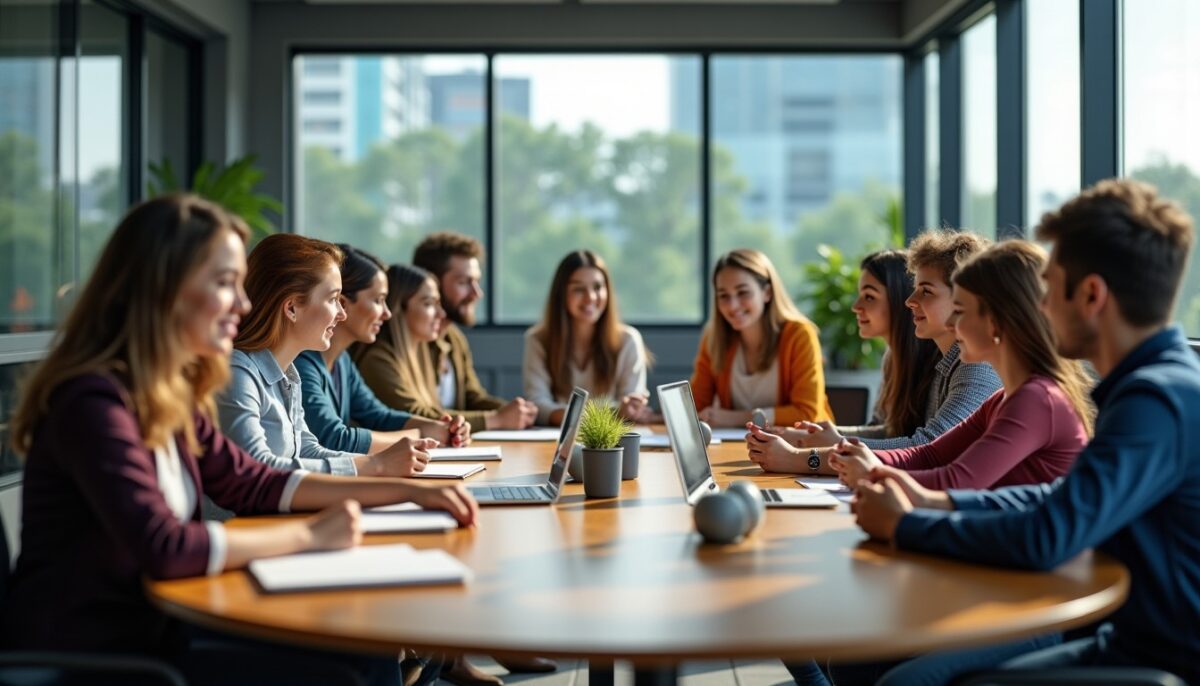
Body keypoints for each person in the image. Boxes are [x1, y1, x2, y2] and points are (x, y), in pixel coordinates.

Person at [1, 195, 476, 685]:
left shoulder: (167, 395)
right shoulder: (92, 403)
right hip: (94, 655)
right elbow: (163, 545)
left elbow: (253, 481)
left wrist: (411, 491)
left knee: (365, 650)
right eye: (227, 284)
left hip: (159, 630)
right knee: (350, 667)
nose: (245, 304)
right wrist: (310, 535)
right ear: (166, 290)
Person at [851, 179, 1200, 685]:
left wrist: (906, 526)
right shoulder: (1153, 387)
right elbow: (1058, 497)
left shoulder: (1155, 401)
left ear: (1092, 295)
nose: (1038, 306)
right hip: (1121, 634)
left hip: (1155, 657)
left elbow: (1048, 534)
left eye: (1048, 288)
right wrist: (941, 505)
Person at [823, 241, 1094, 490]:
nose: (953, 325)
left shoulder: (1036, 399)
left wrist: (869, 472)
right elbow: (930, 454)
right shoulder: (1003, 399)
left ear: (997, 322)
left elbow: (957, 480)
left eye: (961, 311)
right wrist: (836, 456)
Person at [747, 230, 1001, 471]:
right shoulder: (947, 362)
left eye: (925, 291)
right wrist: (819, 440)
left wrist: (808, 455)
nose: (910, 301)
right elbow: (895, 433)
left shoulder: (977, 366)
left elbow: (927, 449)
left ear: (963, 299)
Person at [217, 235, 433, 479]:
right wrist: (377, 466)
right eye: (333, 300)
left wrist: (379, 462)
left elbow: (308, 450)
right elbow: (256, 468)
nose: (342, 314)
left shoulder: (288, 374)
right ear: (291, 308)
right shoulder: (239, 373)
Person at [297, 244, 470, 454]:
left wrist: (433, 427)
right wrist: (420, 434)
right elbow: (333, 438)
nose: (387, 314)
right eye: (378, 301)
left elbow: (379, 415)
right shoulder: (302, 363)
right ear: (343, 303)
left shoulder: (342, 362)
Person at [690, 248, 834, 428]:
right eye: (723, 296)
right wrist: (655, 416)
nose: (732, 305)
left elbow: (807, 413)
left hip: (800, 451)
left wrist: (738, 418)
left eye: (743, 292)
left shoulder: (799, 335)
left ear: (767, 292)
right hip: (737, 447)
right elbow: (695, 407)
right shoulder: (715, 338)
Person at [412, 232, 538, 430]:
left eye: (476, 281)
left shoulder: (454, 338)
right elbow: (413, 415)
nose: (476, 293)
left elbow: (472, 397)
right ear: (431, 283)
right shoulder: (406, 341)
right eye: (463, 282)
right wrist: (498, 419)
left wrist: (518, 412)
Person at [523, 250, 654, 425]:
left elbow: (632, 407)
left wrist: (569, 415)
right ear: (561, 294)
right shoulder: (538, 339)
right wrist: (613, 412)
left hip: (611, 443)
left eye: (598, 287)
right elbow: (537, 404)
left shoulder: (628, 340)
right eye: (578, 289)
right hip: (554, 442)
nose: (590, 297)